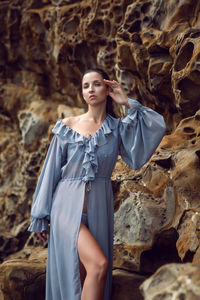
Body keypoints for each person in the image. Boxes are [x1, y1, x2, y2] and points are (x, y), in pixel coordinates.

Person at [28, 68, 166, 300]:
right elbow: (49, 172)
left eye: (96, 84)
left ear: (107, 88)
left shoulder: (117, 128)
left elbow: (156, 126)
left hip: (99, 212)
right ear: (82, 93)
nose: (91, 89)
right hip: (64, 210)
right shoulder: (67, 126)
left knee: (85, 279)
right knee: (100, 265)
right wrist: (39, 214)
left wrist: (126, 102)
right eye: (85, 86)